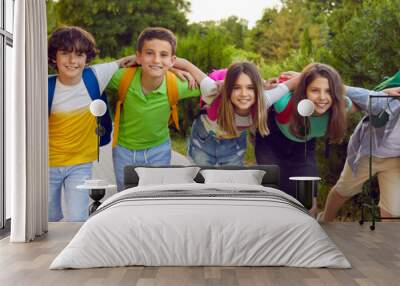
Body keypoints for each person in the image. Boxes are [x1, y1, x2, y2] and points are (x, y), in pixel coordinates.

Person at [106, 27, 215, 192]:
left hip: (158, 151)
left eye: (163, 55)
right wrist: (128, 59)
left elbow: (213, 88)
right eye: (149, 53)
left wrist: (183, 64)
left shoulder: (176, 84)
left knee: (155, 197)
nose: (156, 60)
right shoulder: (124, 78)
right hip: (124, 152)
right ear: (138, 56)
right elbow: (94, 74)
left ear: (172, 60)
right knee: (125, 198)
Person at [47, 26, 134, 221]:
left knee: (78, 219)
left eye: (79, 54)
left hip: (80, 164)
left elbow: (128, 61)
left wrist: (179, 69)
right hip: (46, 164)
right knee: (48, 218)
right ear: (54, 57)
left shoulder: (94, 76)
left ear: (87, 58)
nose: (72, 61)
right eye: (65, 53)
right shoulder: (44, 86)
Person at [255, 63, 354, 215]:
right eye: (314, 90)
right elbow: (257, 97)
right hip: (270, 142)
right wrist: (280, 84)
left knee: (308, 202)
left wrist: (386, 92)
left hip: (303, 147)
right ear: (304, 91)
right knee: (274, 194)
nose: (322, 97)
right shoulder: (284, 102)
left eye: (328, 91)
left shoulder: (342, 106)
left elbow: (367, 98)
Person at [179, 62, 299, 166]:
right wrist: (174, 69)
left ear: (257, 90)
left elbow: (296, 82)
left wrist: (301, 76)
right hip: (203, 140)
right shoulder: (213, 89)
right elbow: (183, 63)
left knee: (231, 184)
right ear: (228, 89)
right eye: (236, 88)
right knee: (199, 179)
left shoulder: (263, 100)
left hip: (233, 143)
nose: (243, 94)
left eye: (250, 88)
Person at [320, 72, 400, 221]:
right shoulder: (387, 102)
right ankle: (325, 220)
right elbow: (353, 92)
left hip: (394, 162)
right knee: (344, 190)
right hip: (367, 155)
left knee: (393, 210)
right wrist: (309, 79)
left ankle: (390, 242)